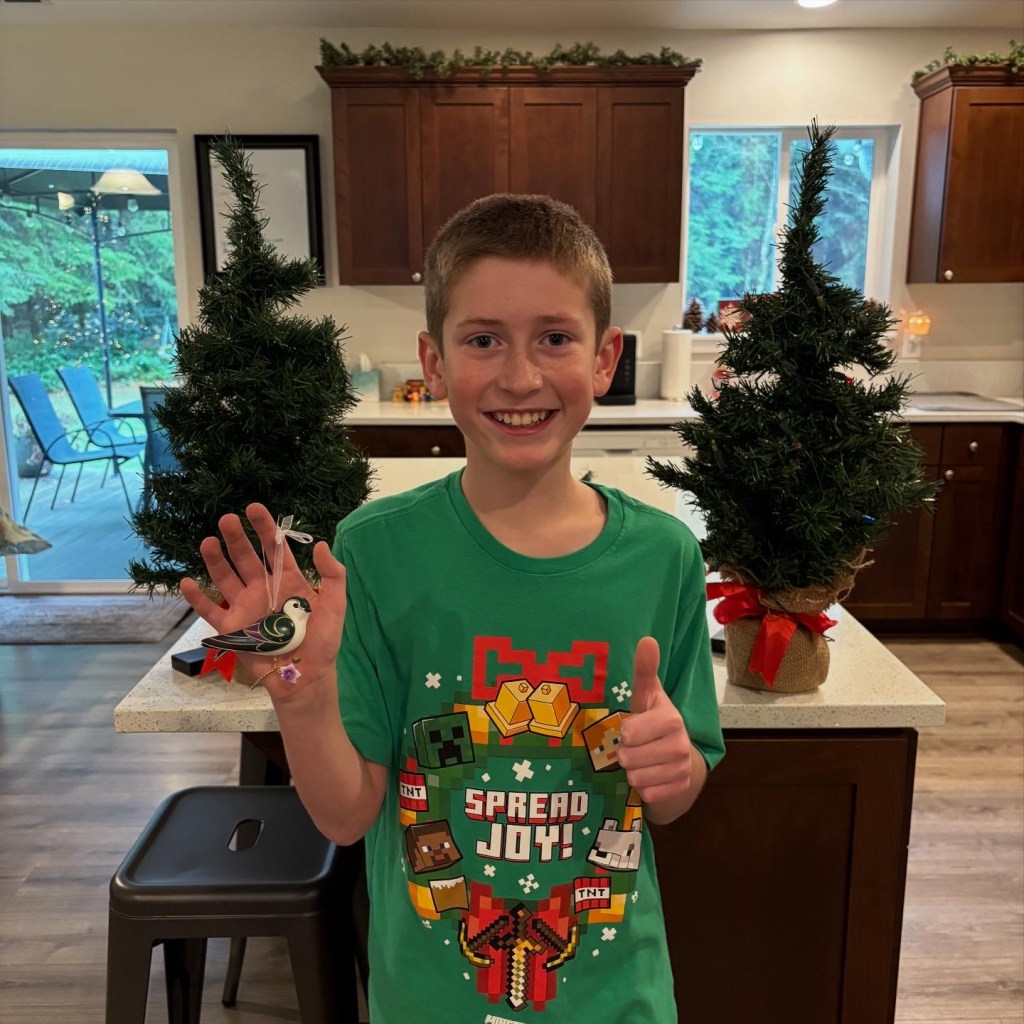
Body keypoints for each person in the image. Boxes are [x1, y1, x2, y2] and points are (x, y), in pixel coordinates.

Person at [181, 193, 725, 1023]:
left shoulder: (664, 557)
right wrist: (299, 690)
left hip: (618, 998)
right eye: (483, 340)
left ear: (605, 357)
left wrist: (674, 769)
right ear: (433, 363)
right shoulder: (374, 551)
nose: (520, 376)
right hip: (428, 999)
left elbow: (676, 793)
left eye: (555, 337)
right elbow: (346, 815)